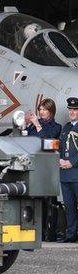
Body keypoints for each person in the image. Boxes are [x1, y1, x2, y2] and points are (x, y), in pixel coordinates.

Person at [24, 98, 62, 241]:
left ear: (51, 111)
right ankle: (33, 230)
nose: (41, 112)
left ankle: (46, 232)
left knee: (46, 202)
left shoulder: (55, 127)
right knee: (32, 200)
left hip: (46, 169)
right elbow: (25, 141)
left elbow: (47, 141)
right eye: (40, 109)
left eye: (44, 109)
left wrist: (37, 124)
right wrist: (24, 126)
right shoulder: (33, 126)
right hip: (32, 166)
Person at [58, 98, 78, 243]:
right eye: (70, 109)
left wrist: (72, 162)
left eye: (75, 110)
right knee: (69, 207)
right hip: (65, 175)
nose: (72, 112)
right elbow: (60, 147)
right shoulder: (66, 127)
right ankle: (71, 234)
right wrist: (59, 160)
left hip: (76, 173)